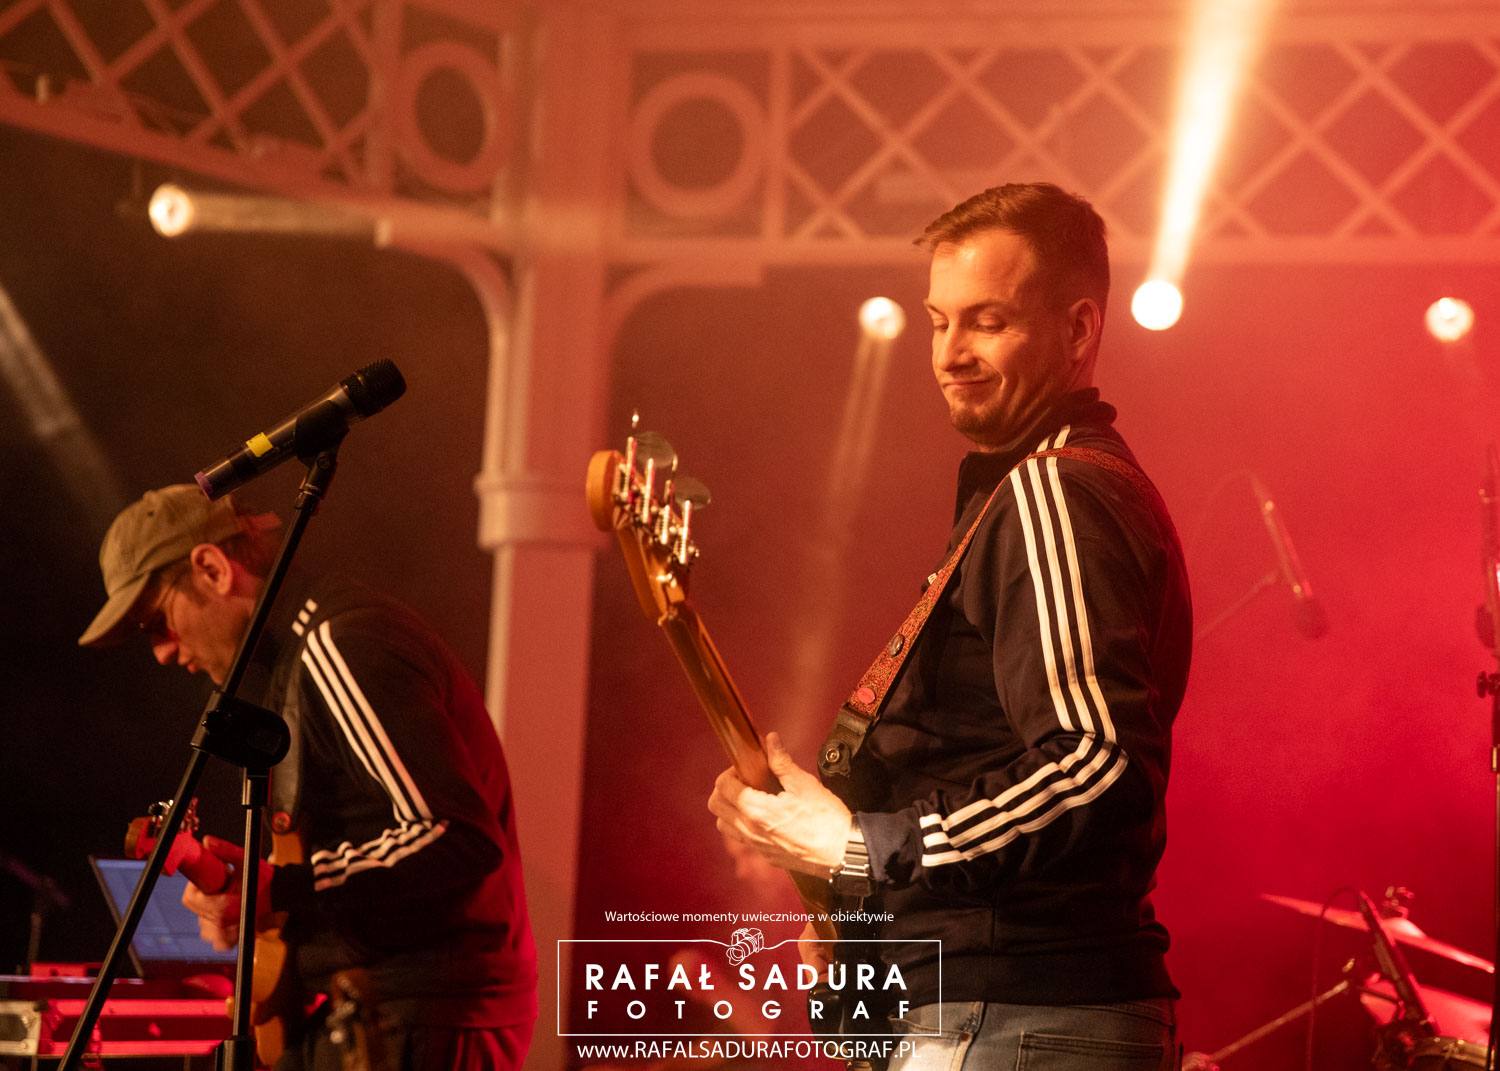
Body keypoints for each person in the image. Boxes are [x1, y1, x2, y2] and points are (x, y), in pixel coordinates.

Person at [708, 183, 1191, 1070]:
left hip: (1014, 1018)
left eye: (987, 321)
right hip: (1001, 1014)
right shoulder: (1033, 490)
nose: (950, 353)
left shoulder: (1053, 490)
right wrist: (858, 908)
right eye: (938, 321)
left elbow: (1094, 766)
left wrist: (863, 847)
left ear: (1079, 329)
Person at [79, 485, 538, 1071]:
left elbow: (456, 834)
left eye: (156, 622)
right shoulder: (302, 653)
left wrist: (283, 889)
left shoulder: (340, 642)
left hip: (417, 1011)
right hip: (385, 1008)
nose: (162, 653)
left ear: (213, 569)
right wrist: (260, 897)